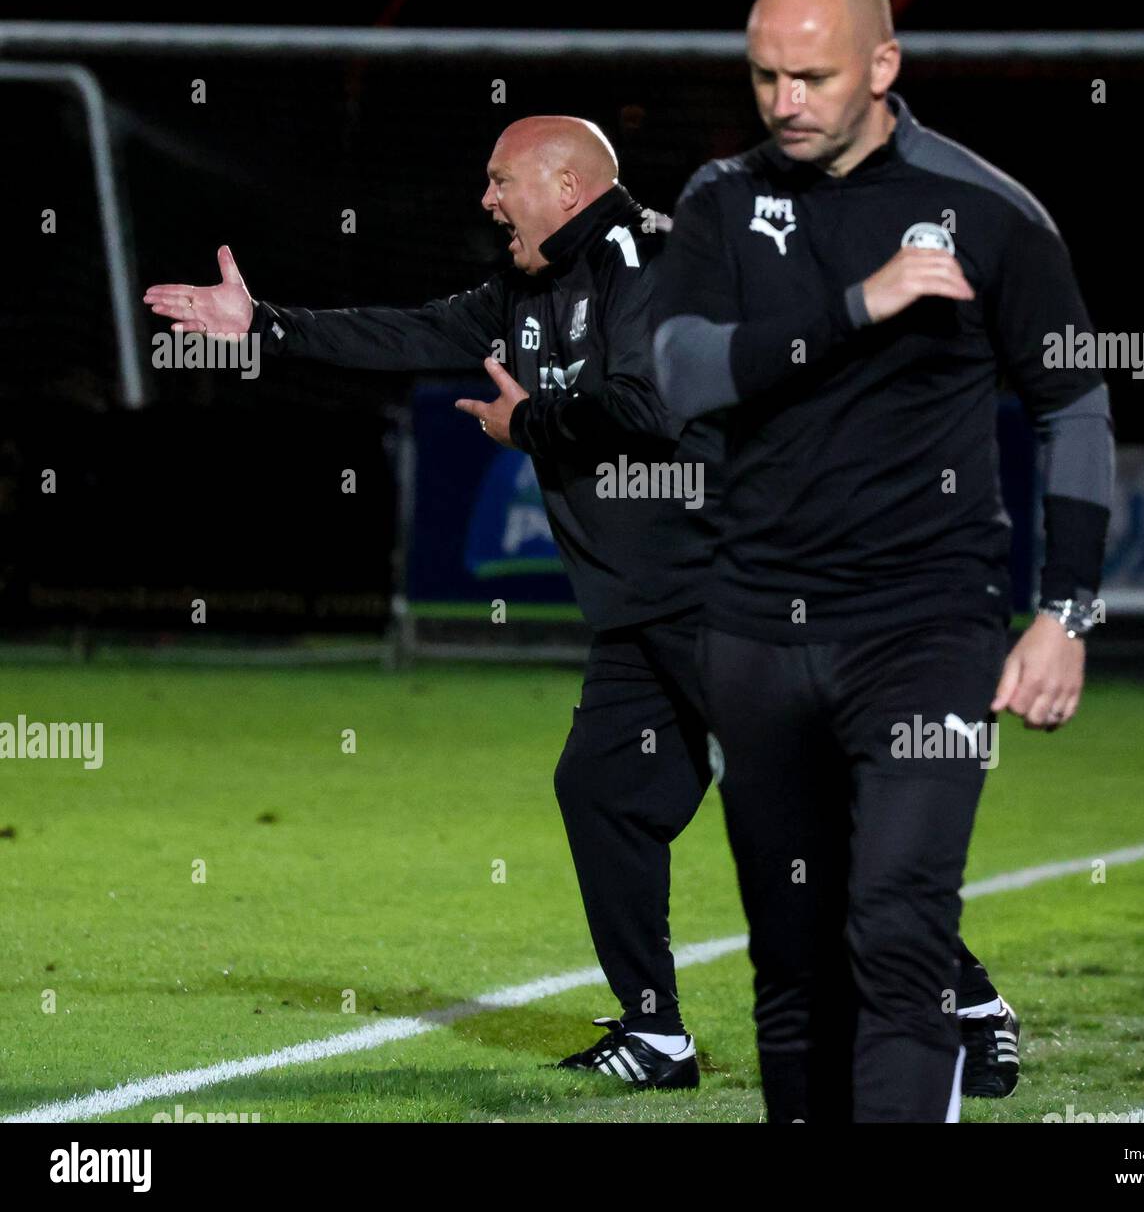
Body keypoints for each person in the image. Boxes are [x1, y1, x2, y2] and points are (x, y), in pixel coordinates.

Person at [143, 116, 717, 1089]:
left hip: (725, 592)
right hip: (639, 612)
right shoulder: (526, 287)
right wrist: (269, 325)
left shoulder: (647, 255)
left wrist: (528, 419)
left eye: (503, 182)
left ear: (568, 185)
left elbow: (653, 403)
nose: (488, 202)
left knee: (808, 809)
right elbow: (412, 329)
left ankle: (958, 997)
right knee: (601, 791)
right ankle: (656, 1032)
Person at [652, 0, 1113, 1122]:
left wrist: (1066, 609)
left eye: (811, 75)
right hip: (755, 628)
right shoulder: (716, 201)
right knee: (793, 962)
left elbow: (1075, 405)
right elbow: (677, 375)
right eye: (763, 75)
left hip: (925, 623)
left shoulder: (993, 213)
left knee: (898, 930)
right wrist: (859, 304)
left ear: (883, 68)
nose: (783, 101)